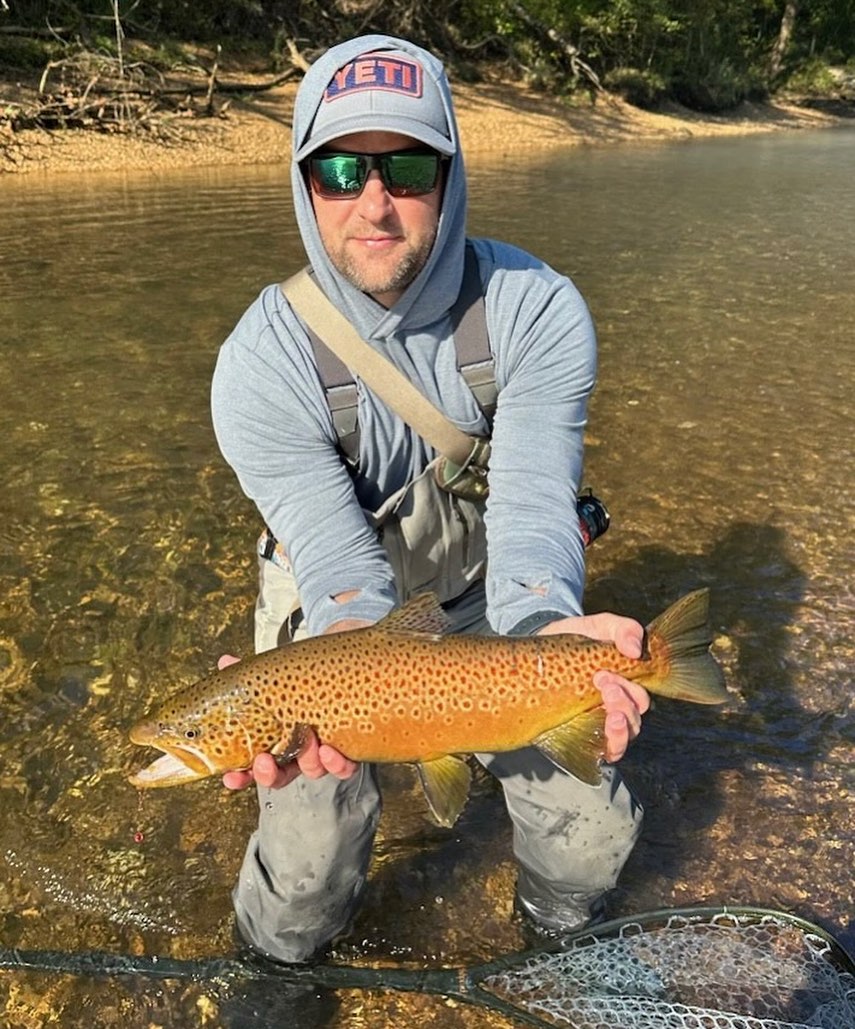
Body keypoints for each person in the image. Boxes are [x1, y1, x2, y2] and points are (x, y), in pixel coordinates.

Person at [210, 34, 650, 965]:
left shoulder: (537, 309)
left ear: (449, 174)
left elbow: (534, 512)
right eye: (338, 169)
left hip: (490, 593)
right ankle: (277, 970)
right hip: (330, 616)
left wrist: (542, 633)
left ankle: (553, 948)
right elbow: (337, 563)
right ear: (304, 183)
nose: (373, 201)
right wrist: (343, 654)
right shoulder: (258, 365)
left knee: (590, 819)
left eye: (406, 166)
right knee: (308, 848)